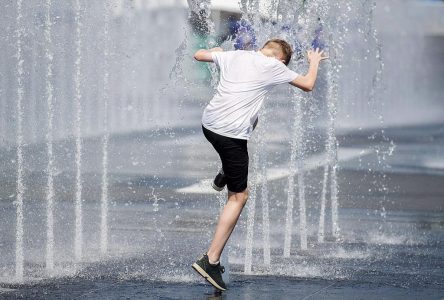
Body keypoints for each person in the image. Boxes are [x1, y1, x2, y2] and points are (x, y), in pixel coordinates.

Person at [191, 39, 328, 291]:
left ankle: (225, 171)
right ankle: (210, 260)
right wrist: (315, 62)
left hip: (209, 124)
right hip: (230, 134)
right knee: (239, 196)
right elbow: (308, 84)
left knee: (253, 117)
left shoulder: (235, 55)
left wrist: (216, 51)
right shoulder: (273, 66)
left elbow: (198, 55)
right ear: (280, 59)